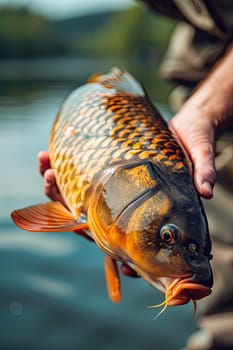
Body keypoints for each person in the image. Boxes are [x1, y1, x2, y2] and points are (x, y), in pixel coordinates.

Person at [38, 1, 233, 349]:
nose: (197, 270)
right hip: (200, 94)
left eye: (172, 239)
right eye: (168, 238)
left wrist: (206, 109)